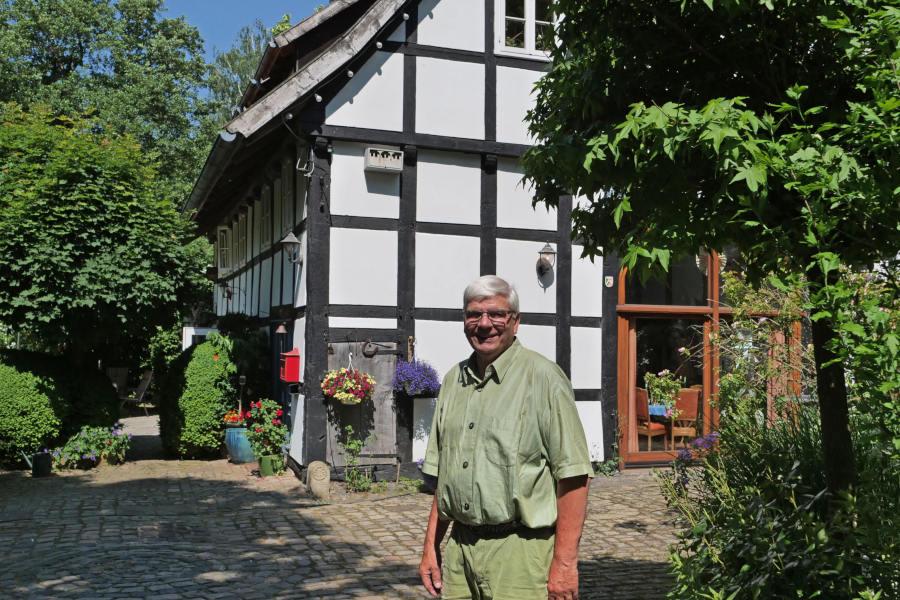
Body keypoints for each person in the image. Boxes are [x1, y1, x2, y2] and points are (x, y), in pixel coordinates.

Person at [419, 275, 593, 600]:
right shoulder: (454, 381)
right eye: (474, 314)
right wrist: (431, 546)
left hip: (521, 556)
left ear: (515, 321)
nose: (484, 324)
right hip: (460, 554)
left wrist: (565, 564)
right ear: (464, 320)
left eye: (497, 314)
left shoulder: (543, 379)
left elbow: (574, 476)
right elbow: (445, 477)